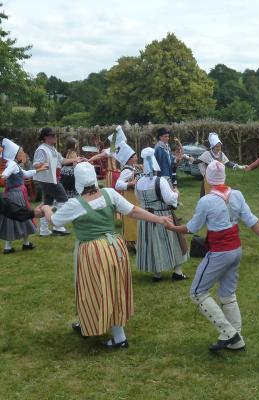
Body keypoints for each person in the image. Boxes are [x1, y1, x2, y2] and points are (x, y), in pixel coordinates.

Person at [41, 162, 172, 348]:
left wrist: (46, 208)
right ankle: (91, 324)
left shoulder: (75, 204)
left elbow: (53, 221)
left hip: (93, 251)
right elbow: (133, 211)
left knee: (94, 290)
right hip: (115, 248)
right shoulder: (109, 194)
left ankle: (117, 336)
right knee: (114, 288)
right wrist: (159, 218)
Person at [167, 160, 259, 351]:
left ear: (207, 178)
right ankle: (236, 339)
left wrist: (172, 227)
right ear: (224, 176)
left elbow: (192, 228)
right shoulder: (237, 195)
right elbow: (252, 221)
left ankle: (229, 333)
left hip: (220, 252)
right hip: (236, 250)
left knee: (197, 292)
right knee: (227, 293)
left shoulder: (206, 201)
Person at [135, 147, 189, 282]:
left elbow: (138, 198)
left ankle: (157, 274)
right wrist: (176, 192)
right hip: (163, 216)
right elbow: (170, 199)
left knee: (152, 244)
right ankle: (177, 272)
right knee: (174, 242)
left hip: (146, 217)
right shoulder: (161, 181)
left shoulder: (139, 182)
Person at [0, 139, 48, 254]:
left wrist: (40, 169)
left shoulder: (13, 164)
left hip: (16, 193)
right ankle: (13, 245)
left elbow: (25, 174)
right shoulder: (11, 164)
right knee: (21, 215)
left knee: (13, 217)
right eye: (20, 151)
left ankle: (18, 245)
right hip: (16, 194)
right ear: (15, 154)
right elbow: (5, 175)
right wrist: (3, 176)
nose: (23, 153)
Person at [33, 127, 83, 236]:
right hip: (49, 180)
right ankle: (58, 227)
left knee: (48, 203)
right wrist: (42, 165)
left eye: (54, 135)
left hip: (51, 179)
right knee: (63, 200)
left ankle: (44, 230)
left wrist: (75, 159)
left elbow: (62, 160)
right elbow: (36, 164)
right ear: (46, 137)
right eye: (52, 135)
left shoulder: (51, 148)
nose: (55, 137)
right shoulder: (42, 149)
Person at [196, 132, 245, 197]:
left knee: (219, 197)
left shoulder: (221, 154)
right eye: (216, 146)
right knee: (206, 197)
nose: (218, 148)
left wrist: (240, 167)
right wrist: (187, 157)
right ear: (212, 147)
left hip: (219, 182)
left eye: (219, 146)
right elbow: (197, 161)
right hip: (208, 181)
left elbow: (227, 162)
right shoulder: (207, 154)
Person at [115, 142, 142, 249]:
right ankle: (133, 242)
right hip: (130, 198)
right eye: (134, 157)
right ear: (129, 159)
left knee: (136, 219)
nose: (136, 158)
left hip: (135, 197)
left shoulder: (133, 168)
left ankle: (135, 241)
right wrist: (130, 184)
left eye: (136, 156)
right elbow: (118, 185)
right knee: (132, 219)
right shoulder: (127, 171)